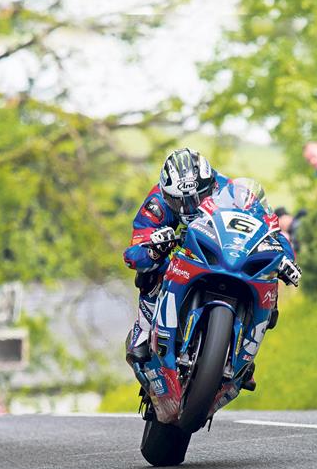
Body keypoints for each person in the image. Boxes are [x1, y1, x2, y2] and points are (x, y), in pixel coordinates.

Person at [122, 148, 302, 394]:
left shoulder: (231, 191)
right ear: (166, 193)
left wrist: (285, 259)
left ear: (209, 185)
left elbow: (271, 230)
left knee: (268, 279)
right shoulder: (158, 201)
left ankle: (245, 356)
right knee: (149, 271)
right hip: (180, 255)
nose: (186, 208)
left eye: (195, 199)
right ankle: (144, 331)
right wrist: (152, 249)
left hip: (218, 252)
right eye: (178, 201)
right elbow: (135, 248)